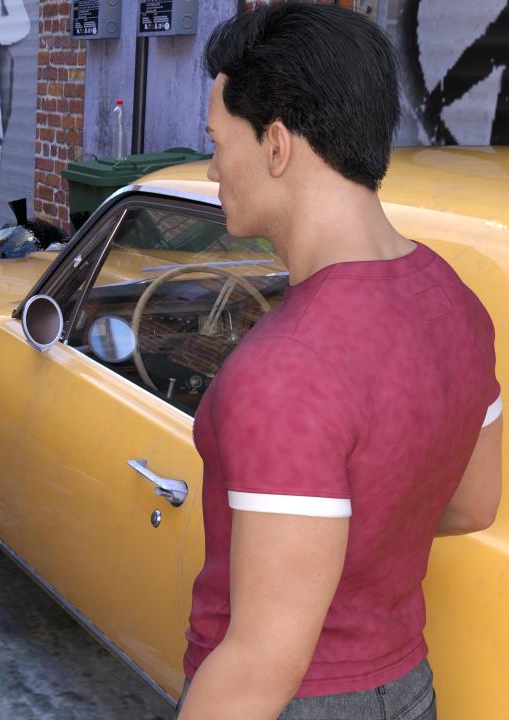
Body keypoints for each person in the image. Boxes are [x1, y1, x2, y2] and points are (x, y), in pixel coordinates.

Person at [176, 5, 502, 719]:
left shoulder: (286, 367)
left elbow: (260, 664)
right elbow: (474, 505)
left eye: (218, 142)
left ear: (276, 145)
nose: (212, 169)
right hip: (409, 689)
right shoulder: (455, 300)